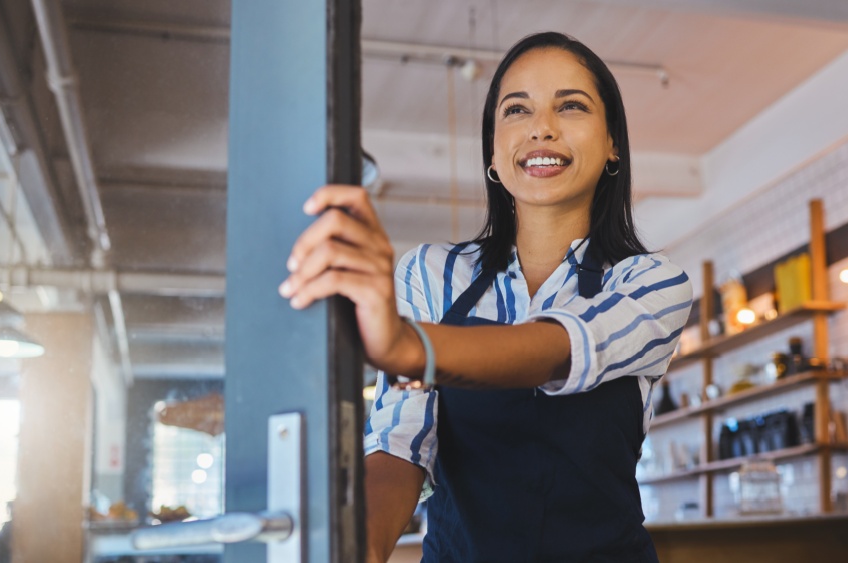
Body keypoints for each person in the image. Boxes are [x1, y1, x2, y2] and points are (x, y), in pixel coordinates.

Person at [280, 31, 693, 563]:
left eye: (571, 106)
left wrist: (412, 348)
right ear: (494, 155)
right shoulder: (432, 275)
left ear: (613, 142)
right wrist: (356, 548)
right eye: (516, 110)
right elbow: (400, 447)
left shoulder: (650, 283)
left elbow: (556, 349)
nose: (542, 128)